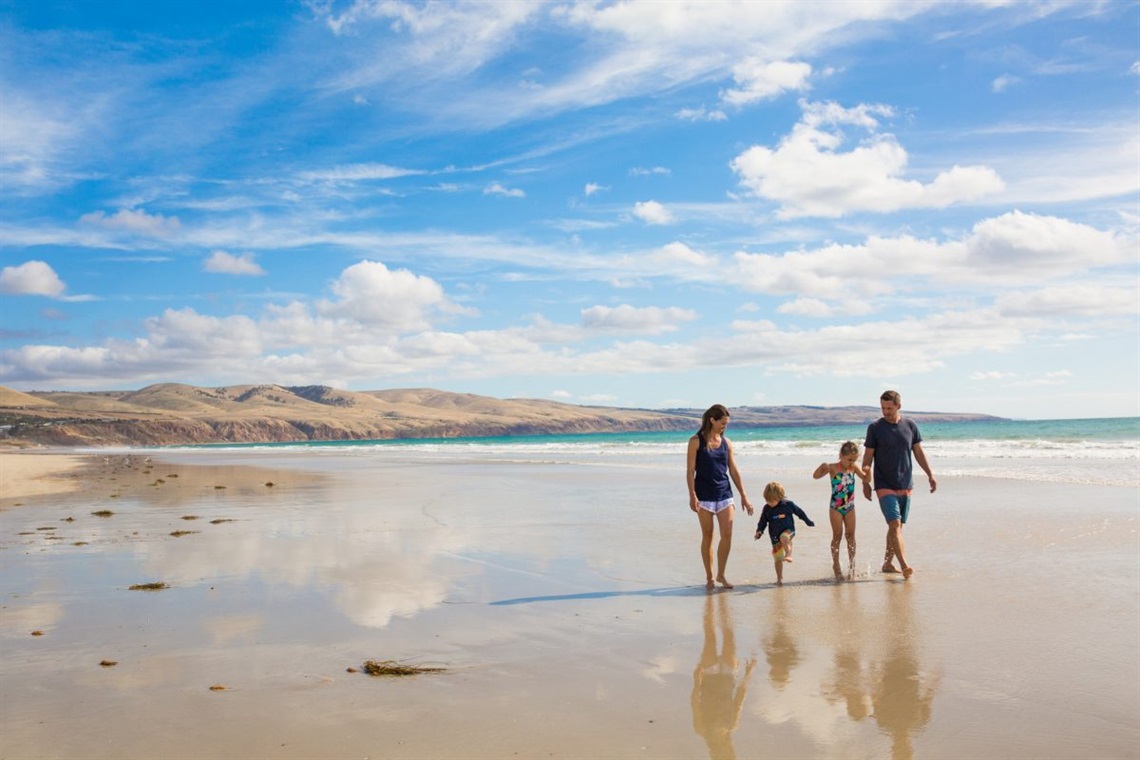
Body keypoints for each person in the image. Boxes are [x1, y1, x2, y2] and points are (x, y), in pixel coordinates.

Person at [861, 390, 937, 579]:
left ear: (898, 406)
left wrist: (930, 474)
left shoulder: (910, 426)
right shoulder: (875, 428)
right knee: (894, 524)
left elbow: (918, 452)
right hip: (883, 483)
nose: (885, 412)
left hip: (905, 483)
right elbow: (867, 457)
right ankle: (904, 566)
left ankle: (887, 563)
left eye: (889, 408)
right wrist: (865, 481)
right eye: (882, 408)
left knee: (896, 527)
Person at [687, 404, 754, 591]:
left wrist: (744, 495)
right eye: (722, 423)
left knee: (727, 533)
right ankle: (709, 577)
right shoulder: (695, 441)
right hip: (704, 496)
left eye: (727, 424)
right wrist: (692, 495)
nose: (725, 427)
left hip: (724, 493)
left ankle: (721, 574)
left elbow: (733, 469)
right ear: (712, 420)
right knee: (708, 536)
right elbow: (690, 470)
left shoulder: (727, 443)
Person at [813, 441, 872, 581]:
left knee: (851, 536)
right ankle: (836, 566)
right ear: (841, 455)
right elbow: (815, 476)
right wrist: (822, 467)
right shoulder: (833, 468)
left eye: (854, 460)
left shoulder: (853, 468)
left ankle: (852, 567)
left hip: (850, 507)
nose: (852, 462)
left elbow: (866, 480)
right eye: (849, 459)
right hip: (836, 507)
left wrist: (869, 471)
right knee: (837, 535)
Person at [753, 482, 814, 585]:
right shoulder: (767, 509)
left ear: (780, 497)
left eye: (772, 501)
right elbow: (762, 521)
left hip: (789, 531)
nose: (769, 503)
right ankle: (779, 579)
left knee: (784, 538)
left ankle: (789, 555)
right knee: (777, 558)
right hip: (774, 536)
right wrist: (759, 531)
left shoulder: (788, 505)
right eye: (767, 500)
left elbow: (800, 512)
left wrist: (807, 521)